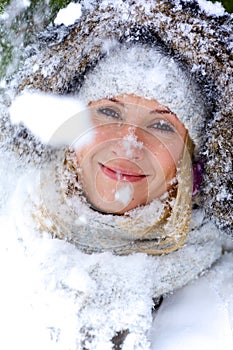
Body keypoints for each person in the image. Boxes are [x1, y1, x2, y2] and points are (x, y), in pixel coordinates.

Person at [2, 0, 233, 348]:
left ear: (191, 161)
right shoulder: (8, 254)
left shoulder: (224, 301)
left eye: (161, 124)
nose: (129, 145)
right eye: (109, 111)